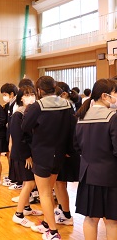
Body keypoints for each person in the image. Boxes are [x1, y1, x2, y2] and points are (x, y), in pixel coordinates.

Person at [21, 76, 75, 240]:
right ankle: (47, 222)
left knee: (44, 193)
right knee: (49, 191)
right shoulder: (67, 104)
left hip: (42, 154)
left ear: (39, 91)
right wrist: (69, 150)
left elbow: (25, 126)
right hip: (59, 154)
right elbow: (72, 129)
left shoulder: (38, 106)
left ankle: (52, 232)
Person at [75, 79, 117, 240]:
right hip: (109, 176)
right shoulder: (113, 118)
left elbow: (76, 146)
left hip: (87, 175)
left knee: (91, 218)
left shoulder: (81, 117)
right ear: (105, 96)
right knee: (112, 221)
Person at [9, 86, 43, 228]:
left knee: (27, 182)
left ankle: (27, 208)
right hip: (23, 154)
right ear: (21, 97)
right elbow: (18, 138)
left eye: (32, 94)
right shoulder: (18, 114)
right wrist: (27, 156)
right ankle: (18, 214)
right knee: (30, 183)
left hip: (29, 152)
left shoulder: (33, 112)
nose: (30, 97)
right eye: (27, 94)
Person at [53, 81, 79, 226]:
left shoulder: (67, 108)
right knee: (58, 183)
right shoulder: (64, 108)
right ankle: (62, 210)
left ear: (63, 94)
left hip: (67, 153)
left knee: (61, 183)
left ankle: (67, 215)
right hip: (61, 151)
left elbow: (71, 133)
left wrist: (69, 150)